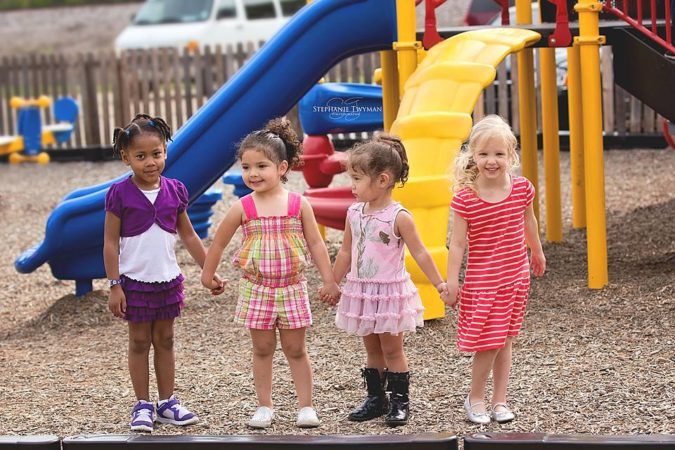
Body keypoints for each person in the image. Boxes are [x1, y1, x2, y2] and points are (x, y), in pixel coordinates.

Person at [201, 118, 340, 429]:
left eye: (261, 166)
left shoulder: (298, 204)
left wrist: (329, 279)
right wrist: (207, 274)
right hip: (257, 289)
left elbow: (316, 244)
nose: (253, 173)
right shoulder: (243, 207)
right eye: (246, 167)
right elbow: (219, 241)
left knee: (295, 349)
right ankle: (265, 405)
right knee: (262, 348)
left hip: (292, 288)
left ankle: (306, 406)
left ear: (282, 168)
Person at [103, 113, 224, 433]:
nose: (150, 162)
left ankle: (167, 402)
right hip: (134, 283)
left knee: (166, 340)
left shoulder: (176, 190)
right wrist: (115, 285)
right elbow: (110, 243)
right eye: (140, 156)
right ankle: (142, 404)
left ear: (165, 152)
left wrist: (208, 271)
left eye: (156, 154)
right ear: (126, 157)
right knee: (140, 342)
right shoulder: (119, 193)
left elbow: (188, 235)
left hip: (167, 280)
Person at [326, 134, 448, 427]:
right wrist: (332, 281)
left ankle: (399, 402)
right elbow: (345, 251)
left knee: (393, 349)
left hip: (389, 292)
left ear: (382, 180)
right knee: (371, 350)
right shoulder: (354, 213)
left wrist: (439, 283)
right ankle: (376, 399)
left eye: (356, 179)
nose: (351, 186)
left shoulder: (399, 216)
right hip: (362, 291)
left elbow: (420, 253)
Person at [445, 115, 546, 425]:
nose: (491, 161)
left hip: (515, 278)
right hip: (483, 283)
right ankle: (475, 398)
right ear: (473, 155)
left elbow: (528, 222)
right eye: (484, 154)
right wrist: (452, 283)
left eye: (499, 154)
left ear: (511, 155)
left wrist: (537, 251)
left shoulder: (522, 189)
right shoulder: (467, 199)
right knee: (488, 343)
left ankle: (499, 400)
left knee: (505, 340)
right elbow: (458, 245)